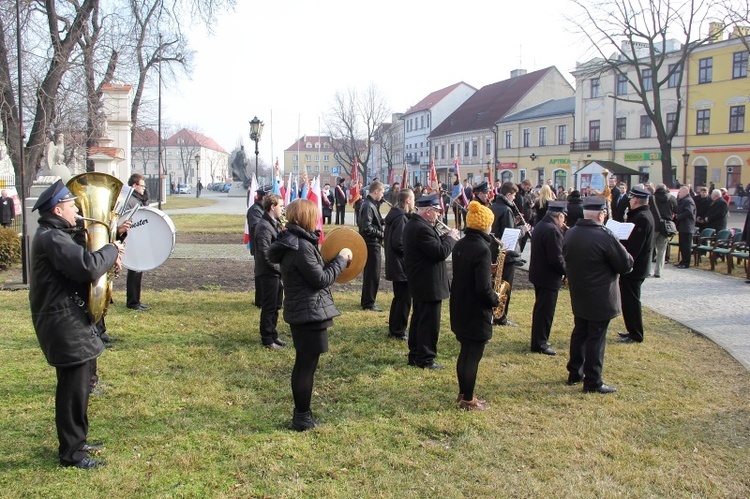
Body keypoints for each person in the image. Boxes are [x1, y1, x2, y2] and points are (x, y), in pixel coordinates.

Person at [29, 179, 124, 469]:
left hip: (66, 319)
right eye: (72, 206)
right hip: (62, 322)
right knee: (72, 391)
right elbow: (87, 267)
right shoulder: (52, 238)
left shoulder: (56, 235)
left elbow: (81, 261)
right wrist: (110, 250)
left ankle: (77, 443)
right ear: (58, 210)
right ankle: (71, 454)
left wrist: (110, 241)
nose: (77, 211)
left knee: (79, 388)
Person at [268, 199, 351, 431]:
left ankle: (302, 413)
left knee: (305, 363)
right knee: (305, 365)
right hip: (308, 313)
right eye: (314, 215)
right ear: (304, 217)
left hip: (305, 310)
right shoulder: (301, 246)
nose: (317, 219)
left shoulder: (295, 242)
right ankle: (302, 417)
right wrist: (341, 261)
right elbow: (321, 279)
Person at [563, 196, 634, 394]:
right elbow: (626, 264)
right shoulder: (605, 236)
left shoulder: (570, 233)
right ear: (601, 214)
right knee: (596, 337)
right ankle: (593, 380)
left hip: (579, 292)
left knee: (580, 332)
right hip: (600, 294)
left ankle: (575, 372)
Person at [450, 201, 500, 411]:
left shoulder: (461, 244)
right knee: (473, 356)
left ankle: (463, 393)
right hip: (475, 310)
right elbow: (482, 289)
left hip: (460, 306)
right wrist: (495, 298)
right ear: (485, 225)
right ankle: (469, 400)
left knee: (465, 352)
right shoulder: (482, 249)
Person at [403, 194, 459, 369]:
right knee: (429, 323)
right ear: (428, 211)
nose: (439, 215)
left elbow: (431, 247)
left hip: (423, 282)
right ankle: (426, 359)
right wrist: (451, 238)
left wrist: (443, 238)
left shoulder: (419, 225)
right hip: (428, 283)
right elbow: (439, 252)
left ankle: (416, 354)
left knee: (419, 319)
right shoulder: (421, 228)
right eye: (437, 211)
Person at [528, 201, 568, 356]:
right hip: (548, 277)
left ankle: (538, 339)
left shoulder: (541, 225)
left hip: (539, 274)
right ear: (558, 216)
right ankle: (540, 343)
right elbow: (556, 259)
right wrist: (566, 272)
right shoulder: (552, 230)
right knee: (545, 312)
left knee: (540, 310)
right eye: (564, 217)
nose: (564, 221)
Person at [489, 182, 531, 327]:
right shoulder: (506, 210)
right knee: (504, 286)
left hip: (493, 251)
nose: (514, 198)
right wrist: (523, 229)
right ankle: (500, 316)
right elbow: (509, 236)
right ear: (508, 194)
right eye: (513, 195)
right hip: (505, 254)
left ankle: (492, 314)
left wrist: (514, 222)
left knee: (494, 284)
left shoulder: (493, 206)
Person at [616, 186, 655, 344]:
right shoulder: (640, 215)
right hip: (634, 267)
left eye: (631, 199)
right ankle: (631, 330)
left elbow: (635, 246)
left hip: (635, 268)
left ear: (637, 200)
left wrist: (625, 261)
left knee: (632, 301)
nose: (629, 201)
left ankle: (636, 333)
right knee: (628, 300)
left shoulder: (642, 218)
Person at [253, 193, 287, 350]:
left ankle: (273, 334)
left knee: (276, 305)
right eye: (280, 206)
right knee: (269, 306)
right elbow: (266, 255)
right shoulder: (264, 227)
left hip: (275, 273)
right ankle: (267, 339)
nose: (282, 208)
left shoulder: (273, 223)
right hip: (268, 273)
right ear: (272, 207)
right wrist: (280, 269)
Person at [384, 188, 414, 340]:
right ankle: (398, 330)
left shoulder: (395, 214)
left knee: (399, 298)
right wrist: (413, 250)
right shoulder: (401, 218)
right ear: (407, 200)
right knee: (404, 300)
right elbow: (399, 243)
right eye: (413, 199)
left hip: (396, 264)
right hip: (401, 266)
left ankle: (394, 328)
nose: (414, 202)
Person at [357, 180, 385, 311]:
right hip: (371, 244)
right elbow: (366, 227)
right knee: (372, 274)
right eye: (382, 192)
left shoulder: (372, 204)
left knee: (372, 273)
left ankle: (368, 300)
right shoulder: (368, 205)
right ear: (376, 191)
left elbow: (375, 221)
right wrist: (382, 234)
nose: (383, 195)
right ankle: (368, 303)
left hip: (373, 243)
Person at [125, 173, 150, 311]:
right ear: (134, 186)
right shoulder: (131, 200)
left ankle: (135, 300)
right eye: (142, 186)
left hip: (136, 238)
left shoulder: (137, 199)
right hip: (132, 239)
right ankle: (133, 302)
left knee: (137, 270)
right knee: (135, 269)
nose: (144, 189)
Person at [247, 186, 268, 307]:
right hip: (259, 247)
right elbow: (257, 229)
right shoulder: (255, 210)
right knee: (260, 273)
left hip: (267, 245)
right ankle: (260, 300)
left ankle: (266, 298)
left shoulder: (264, 209)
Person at [651, 184, 678, 278]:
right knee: (661, 250)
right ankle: (658, 271)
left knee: (649, 249)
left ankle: (647, 270)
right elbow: (676, 211)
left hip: (654, 226)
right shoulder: (672, 198)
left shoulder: (652, 198)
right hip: (665, 227)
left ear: (656, 189)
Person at [674, 186, 696, 268]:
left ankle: (686, 263)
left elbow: (689, 212)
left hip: (687, 226)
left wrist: (678, 216)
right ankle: (682, 261)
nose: (678, 194)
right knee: (682, 245)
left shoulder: (688, 201)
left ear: (685, 192)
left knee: (686, 246)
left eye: (680, 192)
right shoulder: (683, 201)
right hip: (683, 226)